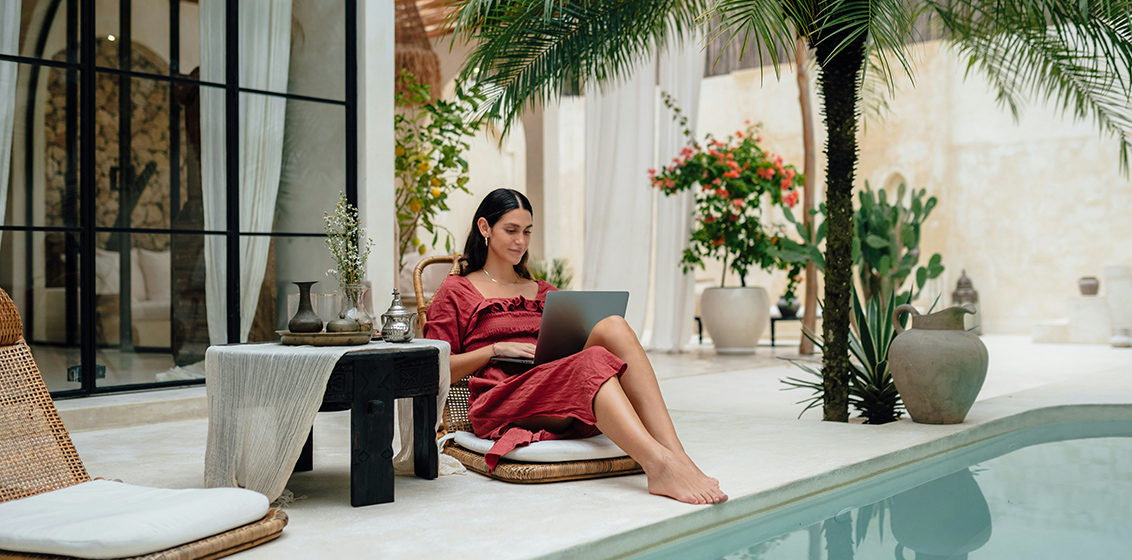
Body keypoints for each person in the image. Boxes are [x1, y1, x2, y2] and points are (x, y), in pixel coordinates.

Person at [424, 188, 726, 505]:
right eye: (511, 231)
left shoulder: (544, 291)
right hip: (501, 400)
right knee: (593, 359)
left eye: (527, 232)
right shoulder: (457, 290)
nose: (521, 242)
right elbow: (432, 366)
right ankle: (657, 465)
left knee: (614, 326)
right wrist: (495, 349)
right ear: (485, 228)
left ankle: (677, 456)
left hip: (553, 387)